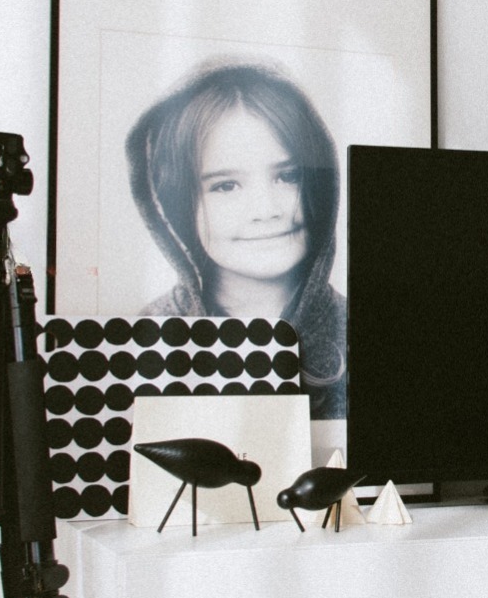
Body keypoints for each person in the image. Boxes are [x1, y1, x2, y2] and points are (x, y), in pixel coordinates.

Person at [125, 61, 347, 418]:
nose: (266, 210)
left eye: (288, 176)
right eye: (226, 186)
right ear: (175, 207)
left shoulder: (368, 332)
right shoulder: (144, 339)